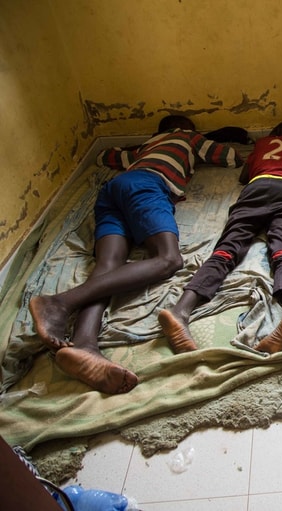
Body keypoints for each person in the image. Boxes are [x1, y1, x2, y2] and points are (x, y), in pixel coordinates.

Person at [28, 115, 243, 394]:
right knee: (169, 259)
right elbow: (231, 157)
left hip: (113, 190)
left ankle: (84, 345)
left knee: (107, 266)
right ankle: (58, 303)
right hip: (145, 186)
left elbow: (105, 156)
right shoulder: (188, 138)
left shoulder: (144, 148)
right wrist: (204, 140)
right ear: (186, 128)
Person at [158, 121, 282, 355]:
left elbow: (244, 176)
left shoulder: (263, 144)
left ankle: (180, 311)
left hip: (256, 187)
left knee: (226, 250)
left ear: (274, 133)